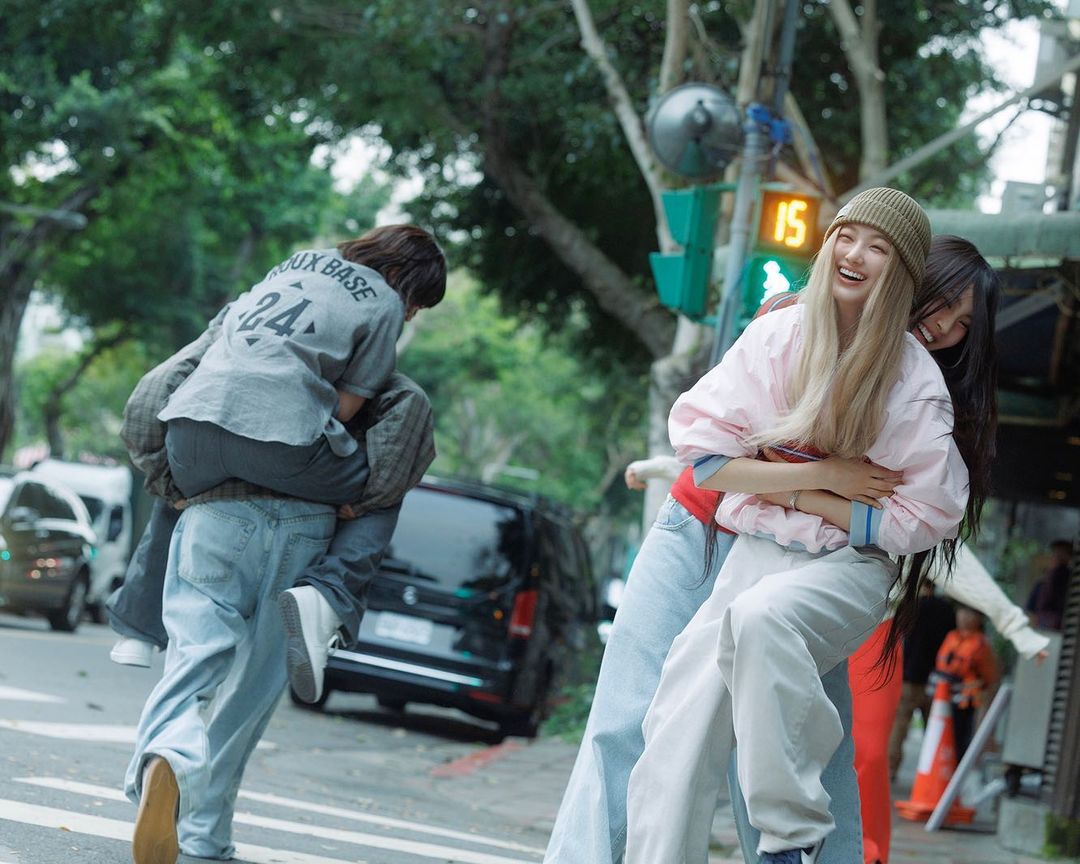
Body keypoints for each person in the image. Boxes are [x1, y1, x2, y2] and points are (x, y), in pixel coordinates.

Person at [622, 187, 971, 864]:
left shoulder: (914, 381)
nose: (855, 254)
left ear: (900, 271)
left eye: (878, 247)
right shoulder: (777, 335)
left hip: (844, 568)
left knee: (763, 621)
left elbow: (920, 518)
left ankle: (789, 840)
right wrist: (826, 479)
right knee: (677, 736)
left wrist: (782, 477)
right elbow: (709, 462)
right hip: (754, 551)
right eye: (846, 236)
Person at [120, 354, 435, 864]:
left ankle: (172, 752)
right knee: (251, 692)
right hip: (309, 523)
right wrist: (364, 500)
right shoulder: (377, 379)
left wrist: (165, 477)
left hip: (217, 509)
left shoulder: (244, 345)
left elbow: (152, 395)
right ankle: (205, 834)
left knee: (195, 657)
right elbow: (400, 444)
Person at [111, 224, 445, 704]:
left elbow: (171, 373)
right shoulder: (384, 302)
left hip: (190, 432)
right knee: (386, 491)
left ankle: (137, 627)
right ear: (400, 275)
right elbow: (344, 409)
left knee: (182, 488)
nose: (411, 314)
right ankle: (329, 595)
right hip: (282, 448)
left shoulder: (288, 268)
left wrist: (161, 468)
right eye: (417, 302)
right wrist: (357, 491)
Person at [886, 582, 955, 781]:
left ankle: (890, 770)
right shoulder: (946, 609)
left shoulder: (910, 606)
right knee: (935, 729)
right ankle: (934, 773)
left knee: (899, 727)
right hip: (938, 680)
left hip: (909, 676)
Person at [933, 605, 1000, 760]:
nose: (964, 617)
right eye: (962, 612)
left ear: (978, 619)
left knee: (960, 738)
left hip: (965, 701)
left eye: (970, 613)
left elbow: (989, 676)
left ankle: (957, 765)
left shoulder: (981, 644)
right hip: (943, 695)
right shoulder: (951, 636)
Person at [1026, 539, 1074, 631]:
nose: (1059, 559)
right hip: (1044, 630)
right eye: (1056, 555)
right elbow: (1032, 613)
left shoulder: (1071, 584)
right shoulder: (1041, 585)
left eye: (1063, 555)